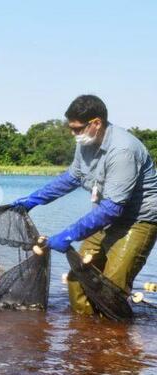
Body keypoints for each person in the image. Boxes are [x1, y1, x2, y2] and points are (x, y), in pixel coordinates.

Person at [13, 95, 157, 315]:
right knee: (77, 278)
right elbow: (71, 178)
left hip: (137, 222)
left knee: (111, 287)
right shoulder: (86, 143)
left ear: (96, 123)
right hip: (105, 217)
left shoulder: (122, 151)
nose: (73, 133)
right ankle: (86, 337)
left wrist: (69, 235)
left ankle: (115, 339)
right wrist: (34, 199)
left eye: (77, 128)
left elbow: (112, 208)